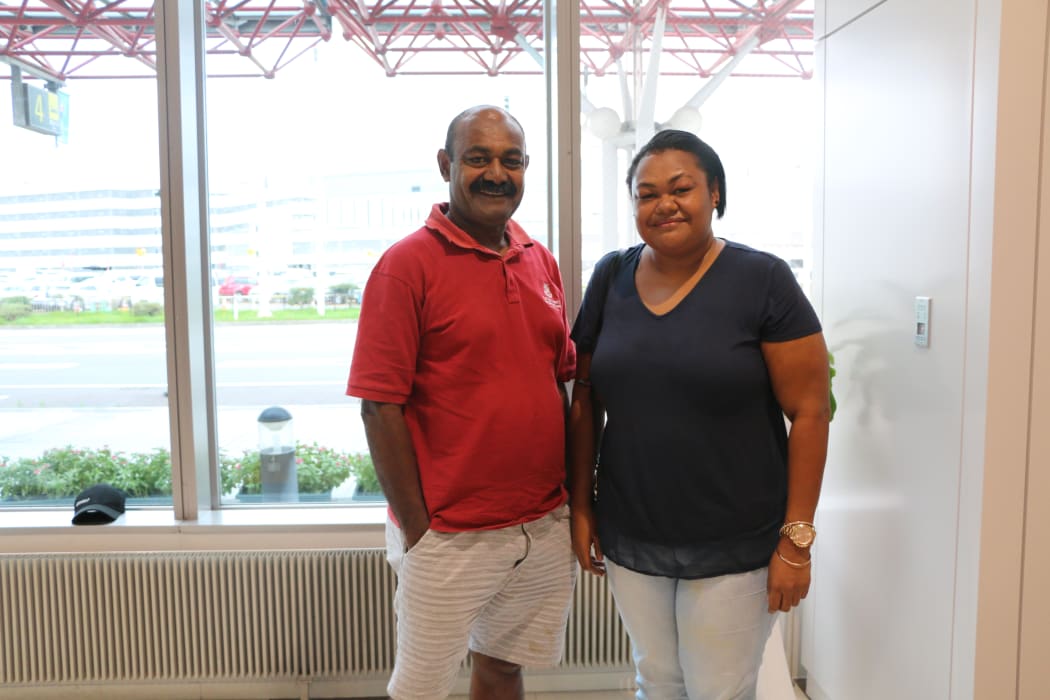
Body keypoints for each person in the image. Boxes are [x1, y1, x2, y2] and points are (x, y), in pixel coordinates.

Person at [568, 129, 830, 700]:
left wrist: (797, 541)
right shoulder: (610, 277)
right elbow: (585, 396)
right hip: (633, 533)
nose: (663, 204)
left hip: (736, 540)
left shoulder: (762, 280)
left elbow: (810, 411)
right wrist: (581, 505)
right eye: (645, 193)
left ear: (715, 193)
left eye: (681, 188)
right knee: (657, 680)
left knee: (719, 690)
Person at [346, 105, 577, 700]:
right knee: (421, 688)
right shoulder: (406, 266)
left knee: (503, 668)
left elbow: (558, 383)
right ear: (447, 165)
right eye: (478, 158)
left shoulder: (539, 260)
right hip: (449, 535)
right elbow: (379, 405)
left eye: (512, 160)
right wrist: (422, 528)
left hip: (540, 524)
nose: (496, 173)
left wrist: (569, 504)